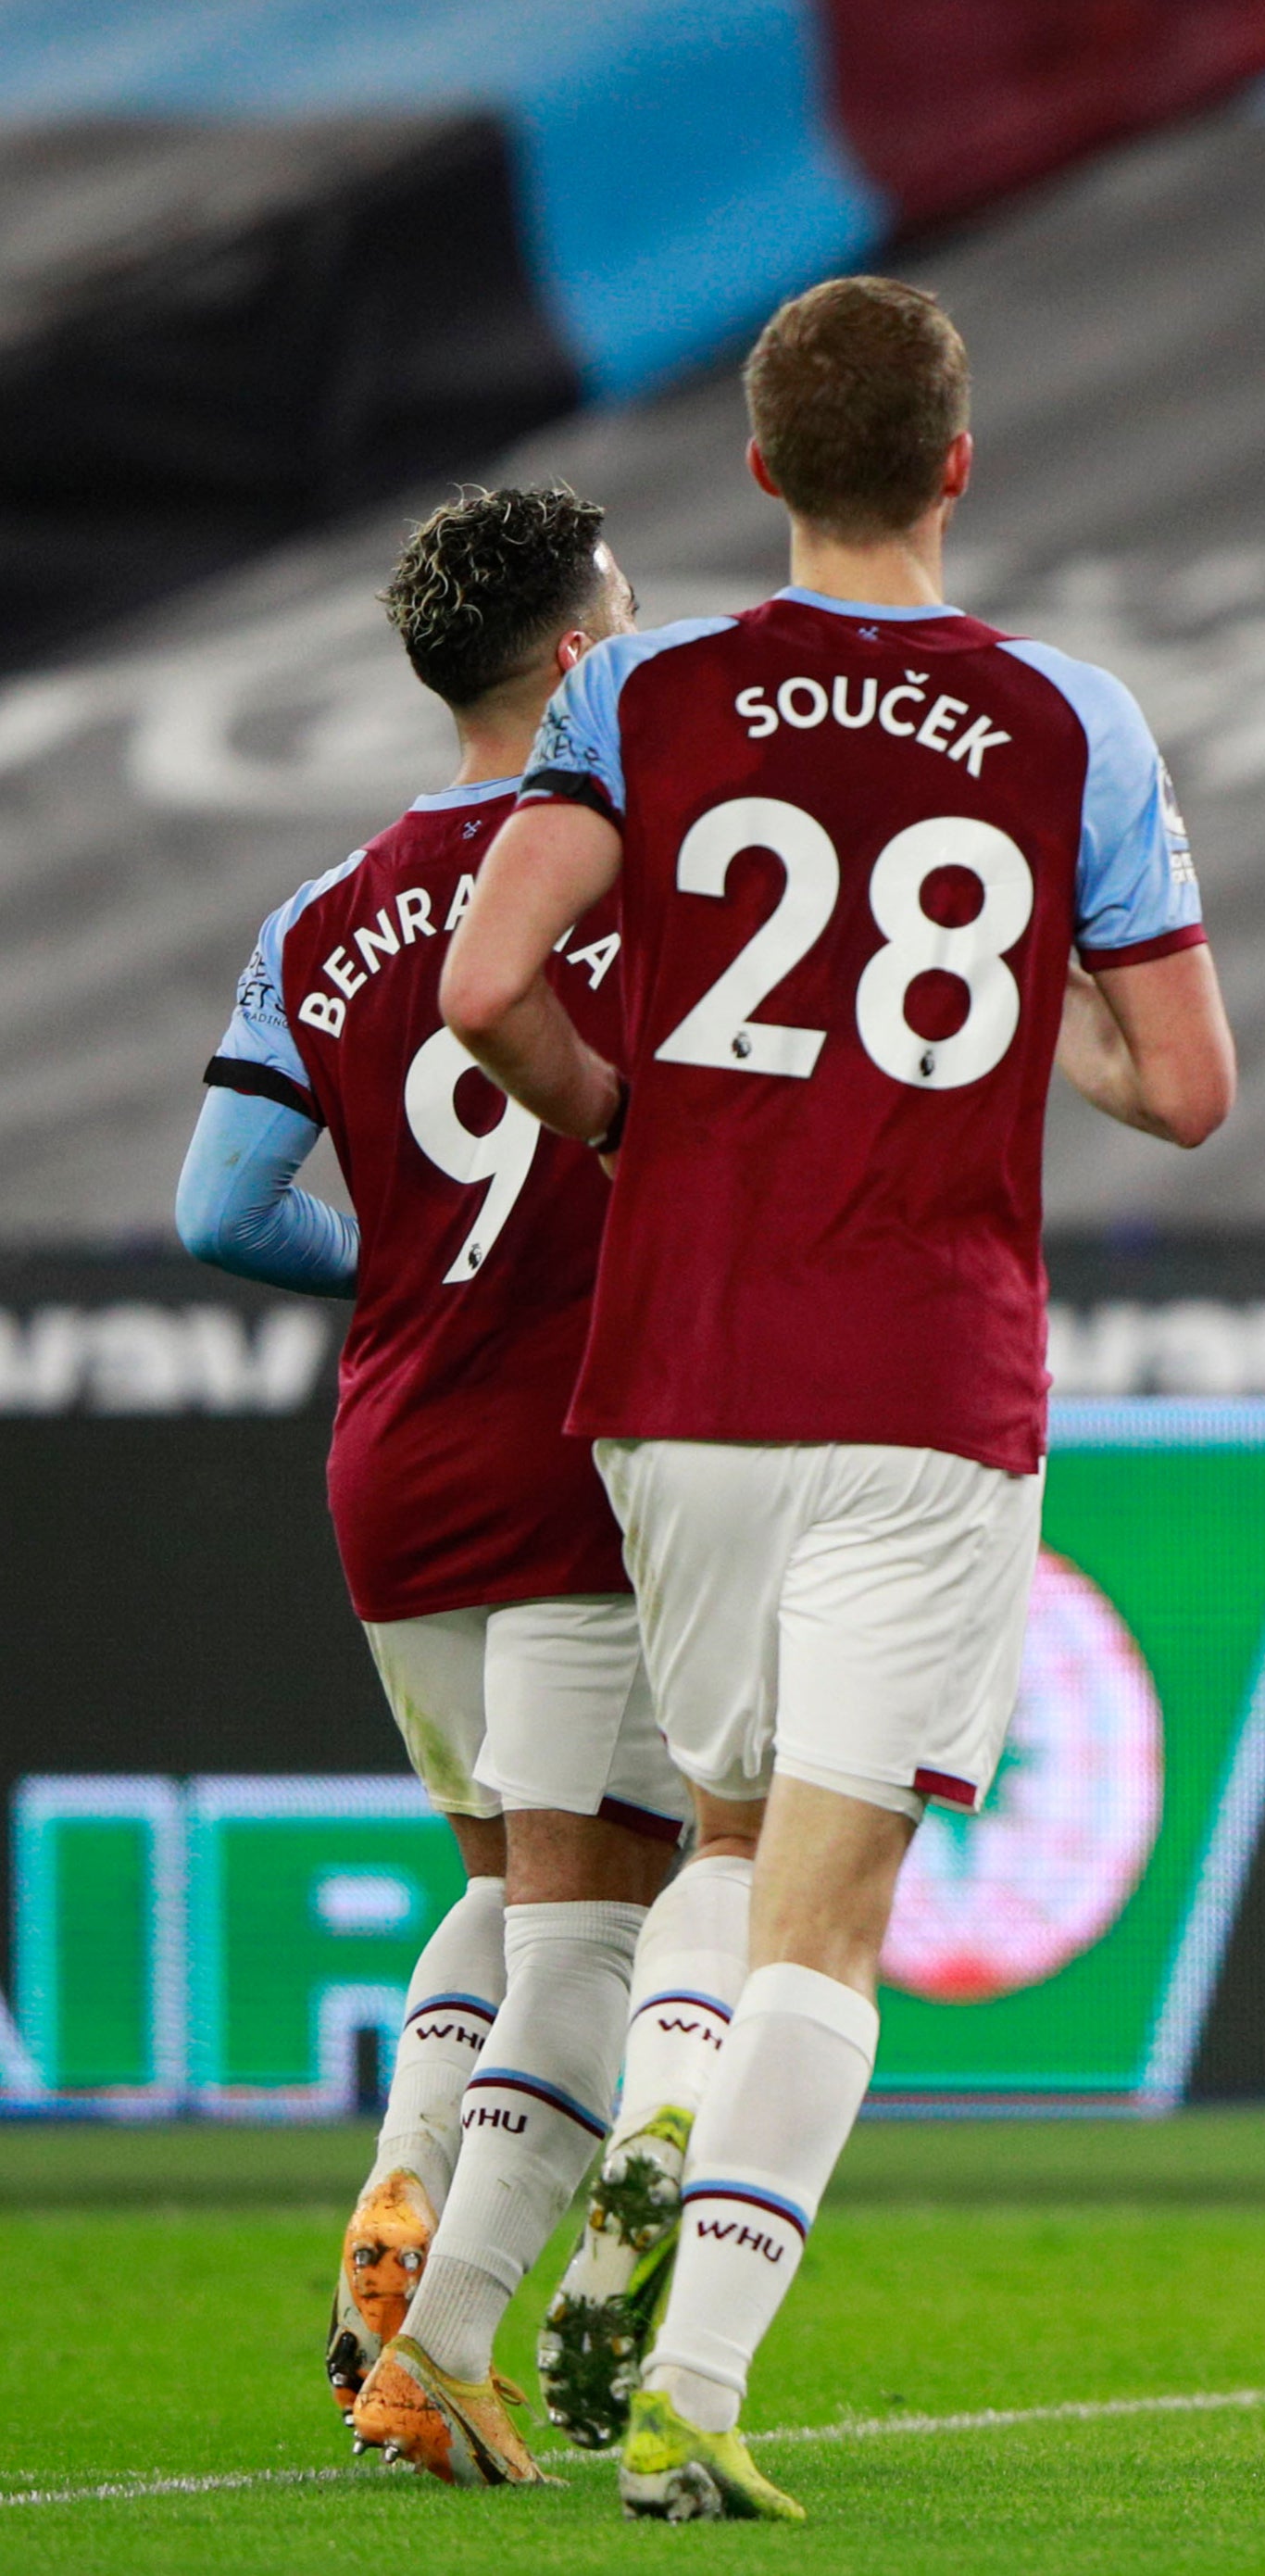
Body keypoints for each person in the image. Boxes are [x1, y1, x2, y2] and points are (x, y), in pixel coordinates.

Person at [443, 273, 1233, 2521]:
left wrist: (624, 1117)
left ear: (764, 468)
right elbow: (1185, 1087)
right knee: (836, 1905)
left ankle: (665, 2094)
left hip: (680, 1366)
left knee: (724, 1829)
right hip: (922, 1369)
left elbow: (493, 982)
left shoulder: (650, 690)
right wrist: (1018, 1028)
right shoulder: (1074, 719)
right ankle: (695, 2372)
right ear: (958, 466)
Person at [178, 484, 733, 2486]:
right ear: (586, 656)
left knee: (499, 1878)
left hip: (395, 1457)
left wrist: (403, 1270)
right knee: (599, 1914)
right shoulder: (648, 870)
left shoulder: (320, 912)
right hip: (582, 1452)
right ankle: (443, 2334)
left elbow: (219, 1205)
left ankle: (405, 2194)